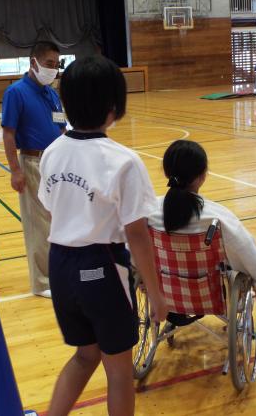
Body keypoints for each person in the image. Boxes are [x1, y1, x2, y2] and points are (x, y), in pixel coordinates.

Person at [38, 56, 167, 416]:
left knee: (85, 354)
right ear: (114, 107)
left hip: (60, 265)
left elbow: (52, 208)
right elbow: (137, 236)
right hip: (102, 267)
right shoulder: (123, 161)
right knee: (119, 373)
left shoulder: (52, 152)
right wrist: (156, 295)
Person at [148, 140, 256, 297]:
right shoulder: (217, 218)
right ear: (202, 176)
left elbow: (133, 251)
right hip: (211, 295)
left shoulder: (148, 211)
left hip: (164, 291)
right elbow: (247, 252)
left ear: (167, 174)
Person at [1, 41, 66, 298]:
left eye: (56, 65)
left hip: (56, 163)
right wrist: (15, 170)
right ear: (33, 62)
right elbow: (8, 133)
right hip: (33, 162)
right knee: (38, 224)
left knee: (56, 221)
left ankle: (56, 273)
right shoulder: (16, 93)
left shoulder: (51, 93)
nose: (53, 69)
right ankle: (42, 282)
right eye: (49, 64)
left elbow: (61, 126)